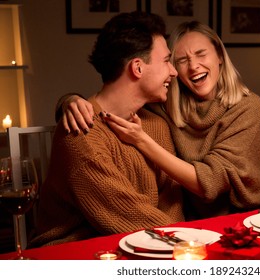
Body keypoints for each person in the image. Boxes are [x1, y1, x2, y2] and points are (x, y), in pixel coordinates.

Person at [57, 21, 260, 220]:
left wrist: (141, 140)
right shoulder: (164, 105)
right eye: (179, 61)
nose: (193, 66)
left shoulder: (248, 107)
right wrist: (70, 101)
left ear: (220, 56)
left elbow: (212, 180)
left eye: (201, 54)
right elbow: (116, 98)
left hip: (242, 217)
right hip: (190, 223)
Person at [31, 12, 184, 247]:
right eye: (166, 61)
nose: (174, 72)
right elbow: (129, 215)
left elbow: (172, 200)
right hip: (74, 253)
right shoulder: (80, 131)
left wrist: (181, 247)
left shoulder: (156, 126)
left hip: (146, 246)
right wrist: (190, 242)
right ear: (138, 68)